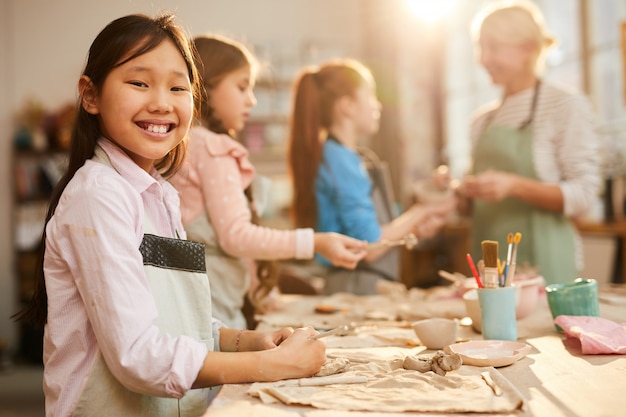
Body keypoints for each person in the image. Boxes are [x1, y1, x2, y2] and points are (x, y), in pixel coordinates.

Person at [13, 14, 325, 417]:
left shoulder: (161, 195)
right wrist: (269, 367)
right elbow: (138, 355)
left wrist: (248, 342)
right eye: (139, 83)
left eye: (178, 87)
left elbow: (184, 324)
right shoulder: (98, 195)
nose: (161, 102)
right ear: (90, 96)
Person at [169, 35, 367, 330]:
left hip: (200, 303)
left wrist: (262, 290)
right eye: (241, 87)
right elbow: (235, 236)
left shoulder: (189, 144)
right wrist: (315, 242)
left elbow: (227, 240)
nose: (252, 100)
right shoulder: (211, 148)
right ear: (205, 85)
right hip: (214, 307)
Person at [458, 1, 601, 284]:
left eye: (493, 47)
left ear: (528, 49)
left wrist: (513, 185)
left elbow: (585, 194)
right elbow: (471, 207)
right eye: (480, 47)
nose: (482, 59)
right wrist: (458, 191)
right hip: (488, 268)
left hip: (546, 265)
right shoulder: (480, 121)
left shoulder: (565, 105)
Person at [288, 59, 456, 295]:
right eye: (370, 96)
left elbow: (377, 229)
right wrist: (424, 210)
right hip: (354, 285)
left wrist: (415, 227)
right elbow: (371, 246)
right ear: (347, 105)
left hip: (358, 282)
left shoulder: (346, 157)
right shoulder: (340, 160)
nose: (377, 105)